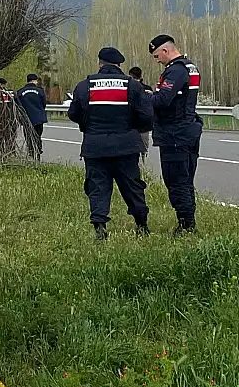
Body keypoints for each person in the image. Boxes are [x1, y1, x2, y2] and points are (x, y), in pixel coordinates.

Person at [67, 46, 154, 239]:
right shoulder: (132, 85)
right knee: (133, 187)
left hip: (95, 147)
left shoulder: (84, 86)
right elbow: (147, 116)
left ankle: (100, 228)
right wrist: (132, 128)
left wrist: (88, 126)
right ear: (120, 65)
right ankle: (142, 226)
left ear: (99, 63)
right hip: (126, 146)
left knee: (97, 187)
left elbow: (73, 113)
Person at [148, 34, 204, 235]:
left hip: (175, 132)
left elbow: (163, 99)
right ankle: (188, 219)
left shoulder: (176, 70)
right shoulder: (190, 67)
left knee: (176, 179)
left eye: (156, 56)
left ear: (165, 50)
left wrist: (144, 98)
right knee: (186, 179)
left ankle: (186, 224)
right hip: (188, 128)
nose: (157, 61)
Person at [16, 73, 48, 159]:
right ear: (35, 81)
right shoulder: (40, 91)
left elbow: (18, 106)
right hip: (38, 118)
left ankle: (31, 153)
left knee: (29, 138)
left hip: (26, 119)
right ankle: (38, 150)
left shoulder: (20, 92)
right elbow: (44, 103)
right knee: (37, 135)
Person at [129, 66, 153, 164]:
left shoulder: (129, 89)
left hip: (132, 124)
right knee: (144, 149)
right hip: (145, 124)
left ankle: (136, 167)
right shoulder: (147, 89)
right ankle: (144, 166)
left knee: (132, 149)